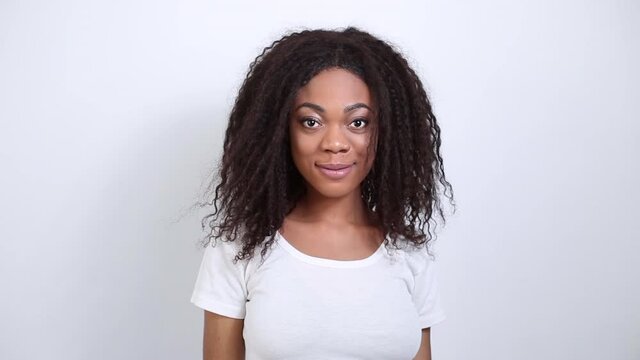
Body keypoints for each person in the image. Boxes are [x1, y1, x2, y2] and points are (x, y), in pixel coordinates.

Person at [191, 27, 455, 360]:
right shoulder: (241, 246)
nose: (334, 143)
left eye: (358, 122)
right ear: (281, 131)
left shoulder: (408, 252)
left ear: (385, 131)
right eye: (311, 122)